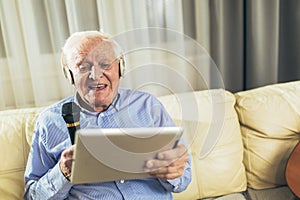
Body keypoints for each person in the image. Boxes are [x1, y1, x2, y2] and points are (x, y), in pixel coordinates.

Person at [24, 30, 191, 199]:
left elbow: (183, 179)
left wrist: (173, 171)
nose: (95, 75)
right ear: (70, 75)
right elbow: (31, 195)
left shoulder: (148, 106)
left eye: (105, 64)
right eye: (83, 67)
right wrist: (62, 174)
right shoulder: (49, 121)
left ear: (120, 67)